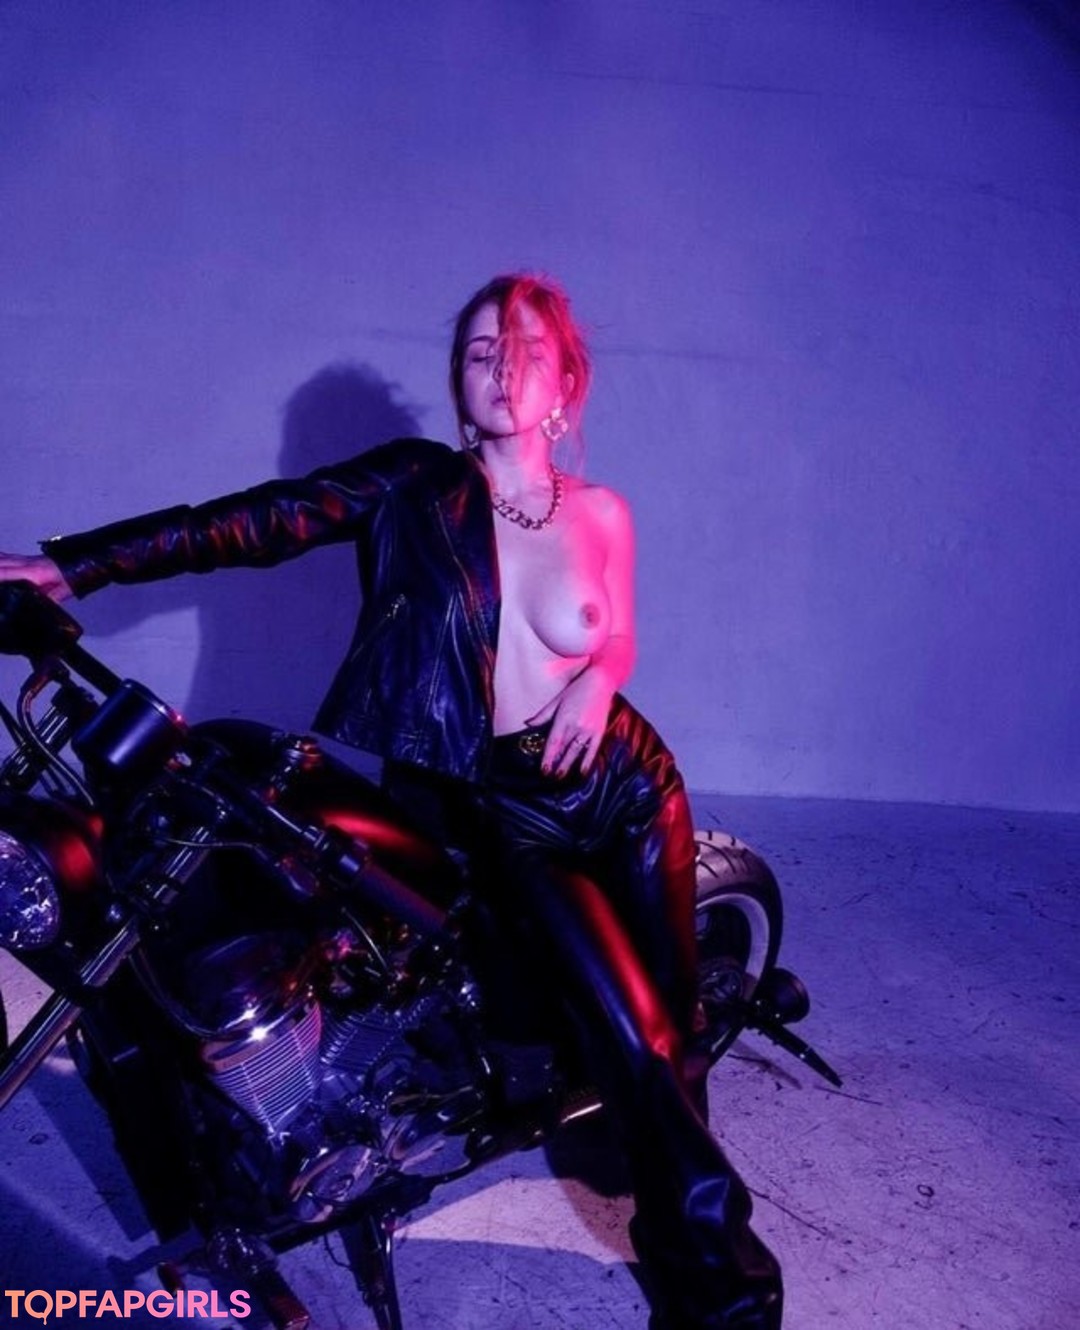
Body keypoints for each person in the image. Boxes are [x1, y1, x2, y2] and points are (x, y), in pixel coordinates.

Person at [0, 274, 782, 1329]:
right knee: (636, 1036)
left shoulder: (602, 511)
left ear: (564, 385)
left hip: (632, 790)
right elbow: (255, 521)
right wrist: (73, 567)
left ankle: (682, 1235)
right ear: (459, 385)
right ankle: (732, 1299)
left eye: (524, 350)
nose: (501, 367)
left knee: (673, 1034)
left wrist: (599, 677)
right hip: (514, 813)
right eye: (479, 352)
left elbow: (620, 635)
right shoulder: (418, 487)